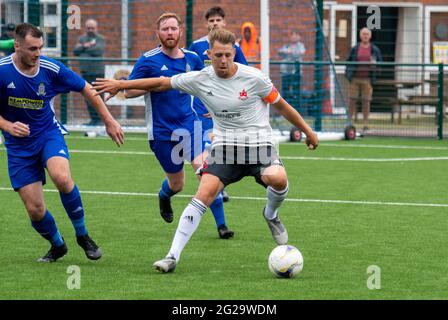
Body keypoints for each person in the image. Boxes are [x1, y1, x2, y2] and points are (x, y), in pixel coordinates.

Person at [92, 28, 319, 273]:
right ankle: (172, 256)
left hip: (258, 144)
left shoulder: (255, 78)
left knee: (278, 178)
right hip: (225, 148)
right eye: (218, 55)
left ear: (235, 53)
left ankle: (271, 214)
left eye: (228, 55)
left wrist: (308, 131)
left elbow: (282, 107)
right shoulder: (201, 78)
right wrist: (121, 84)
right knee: (203, 193)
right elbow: (160, 83)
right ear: (209, 54)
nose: (223, 60)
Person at [0, 23, 124, 263]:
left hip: (47, 133)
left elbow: (87, 88)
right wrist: (7, 126)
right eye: (32, 49)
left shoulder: (51, 68)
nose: (37, 54)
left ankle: (83, 235)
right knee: (35, 210)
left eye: (40, 48)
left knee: (62, 177)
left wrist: (109, 121)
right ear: (16, 46)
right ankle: (57, 245)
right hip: (17, 145)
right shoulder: (2, 71)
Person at [122, 12, 233, 239]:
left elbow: (206, 84)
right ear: (158, 33)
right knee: (177, 184)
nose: (170, 33)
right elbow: (128, 91)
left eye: (174, 28)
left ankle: (222, 226)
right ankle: (164, 196)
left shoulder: (192, 58)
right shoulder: (148, 59)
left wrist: (214, 107)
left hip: (190, 126)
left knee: (207, 173)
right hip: (162, 132)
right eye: (165, 29)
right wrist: (160, 84)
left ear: (181, 31)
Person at [189, 6, 249, 204]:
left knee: (226, 147)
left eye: (218, 20)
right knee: (208, 147)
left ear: (224, 23)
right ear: (206, 24)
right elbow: (192, 77)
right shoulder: (196, 46)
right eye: (211, 20)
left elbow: (244, 74)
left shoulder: (235, 47)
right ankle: (216, 188)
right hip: (203, 108)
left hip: (226, 108)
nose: (215, 23)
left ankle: (219, 184)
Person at [345, 27, 382, 131]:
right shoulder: (355, 48)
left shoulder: (374, 49)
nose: (365, 36)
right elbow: (348, 61)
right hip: (355, 79)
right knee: (352, 100)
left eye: (367, 34)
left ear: (370, 36)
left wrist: (375, 67)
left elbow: (380, 64)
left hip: (367, 79)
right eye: (363, 34)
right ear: (360, 36)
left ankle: (365, 123)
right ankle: (349, 122)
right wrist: (348, 75)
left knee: (366, 101)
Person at [73, 19, 105, 125]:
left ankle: (101, 120)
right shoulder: (82, 39)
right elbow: (75, 51)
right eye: (88, 28)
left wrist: (83, 49)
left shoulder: (101, 39)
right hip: (85, 72)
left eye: (92, 28)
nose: (90, 30)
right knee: (88, 97)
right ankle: (93, 119)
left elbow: (98, 51)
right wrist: (85, 46)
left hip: (98, 73)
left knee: (99, 96)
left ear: (96, 28)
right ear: (85, 28)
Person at [278, 30, 306, 105]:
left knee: (295, 92)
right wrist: (287, 51)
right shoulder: (287, 46)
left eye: (295, 35)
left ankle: (296, 109)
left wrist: (290, 52)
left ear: (298, 37)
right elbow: (280, 52)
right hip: (286, 72)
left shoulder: (301, 46)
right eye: (292, 35)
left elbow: (300, 53)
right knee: (285, 91)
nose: (293, 37)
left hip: (296, 72)